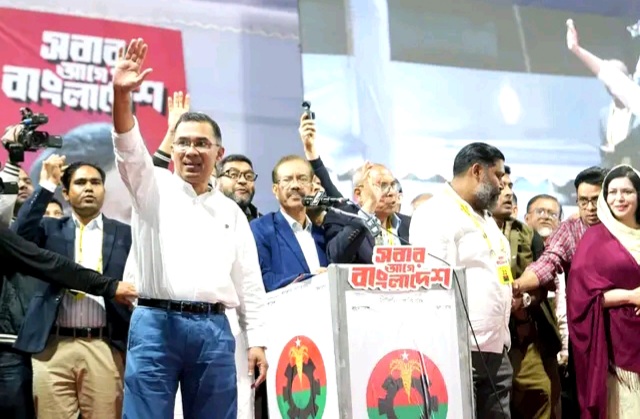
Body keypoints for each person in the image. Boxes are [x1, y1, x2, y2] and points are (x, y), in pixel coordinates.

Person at [111, 38, 267, 418]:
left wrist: (258, 340)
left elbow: (248, 280)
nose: (191, 151)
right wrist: (121, 96)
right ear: (173, 148)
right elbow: (128, 148)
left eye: (201, 143)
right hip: (154, 325)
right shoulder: (151, 187)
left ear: (218, 153)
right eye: (182, 143)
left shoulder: (231, 211)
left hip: (213, 330)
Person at [410, 142, 511, 419]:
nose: (502, 185)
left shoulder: (485, 216)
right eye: (498, 175)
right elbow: (434, 287)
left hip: (497, 347)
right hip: (459, 350)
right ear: (477, 171)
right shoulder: (436, 213)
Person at [568, 165, 640, 418]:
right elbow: (581, 298)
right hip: (618, 351)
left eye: (627, 192)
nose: (619, 198)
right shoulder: (595, 239)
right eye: (612, 192)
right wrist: (631, 296)